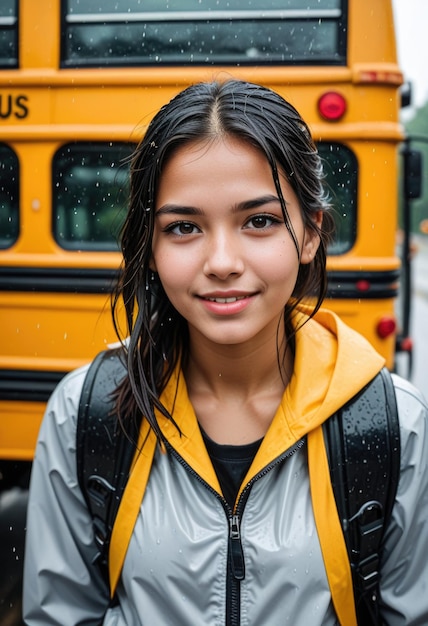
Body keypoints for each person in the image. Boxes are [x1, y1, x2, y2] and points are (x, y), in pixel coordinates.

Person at [23, 80, 428, 626]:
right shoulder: (84, 413)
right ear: (151, 245)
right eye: (184, 227)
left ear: (310, 233)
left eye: (258, 221)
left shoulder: (395, 427)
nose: (221, 260)